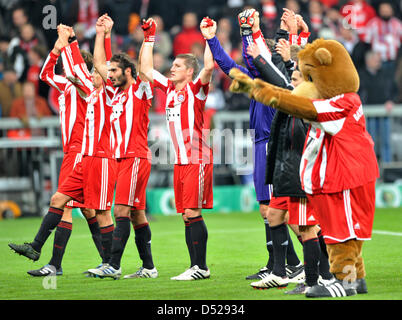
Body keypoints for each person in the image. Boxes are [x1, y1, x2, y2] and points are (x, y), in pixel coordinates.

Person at [203, 10, 303, 283]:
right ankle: (281, 263)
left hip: (272, 144)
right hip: (260, 144)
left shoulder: (275, 81)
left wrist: (253, 33)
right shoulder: (256, 80)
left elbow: (249, 58)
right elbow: (227, 66)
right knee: (266, 209)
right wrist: (211, 40)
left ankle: (302, 261)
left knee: (276, 209)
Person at [8, 25, 113, 276]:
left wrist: (68, 43)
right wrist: (56, 50)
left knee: (66, 204)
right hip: (72, 151)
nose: (64, 71)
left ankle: (51, 260)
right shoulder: (67, 84)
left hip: (81, 151)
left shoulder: (85, 85)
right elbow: (45, 74)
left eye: (67, 66)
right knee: (86, 209)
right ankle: (106, 262)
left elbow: (76, 72)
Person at [139, 16, 214, 281]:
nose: (172, 69)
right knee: (186, 215)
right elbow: (146, 70)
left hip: (196, 156)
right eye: (172, 65)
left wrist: (208, 37)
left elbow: (208, 66)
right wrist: (149, 38)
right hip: (181, 160)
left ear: (189, 71)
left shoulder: (196, 89)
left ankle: (200, 268)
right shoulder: (169, 89)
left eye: (177, 66)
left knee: (193, 212)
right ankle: (195, 266)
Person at [87, 14, 157, 280]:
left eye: (115, 71)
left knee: (121, 211)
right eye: (110, 72)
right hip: (122, 159)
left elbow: (143, 66)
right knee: (138, 214)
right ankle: (149, 267)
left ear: (128, 72)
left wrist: (149, 38)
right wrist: (101, 33)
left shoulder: (139, 90)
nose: (109, 75)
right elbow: (99, 63)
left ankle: (113, 265)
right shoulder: (113, 93)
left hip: (134, 157)